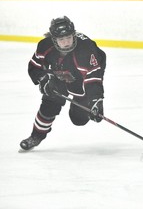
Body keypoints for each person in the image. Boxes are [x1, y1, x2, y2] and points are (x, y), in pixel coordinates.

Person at [20, 16, 106, 151]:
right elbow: (34, 67)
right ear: (54, 40)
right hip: (59, 73)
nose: (66, 42)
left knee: (78, 119)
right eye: (61, 39)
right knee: (50, 103)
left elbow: (93, 77)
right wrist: (43, 78)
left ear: (74, 35)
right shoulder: (45, 46)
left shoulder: (86, 49)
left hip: (82, 75)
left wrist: (95, 100)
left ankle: (85, 106)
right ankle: (36, 136)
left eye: (69, 38)